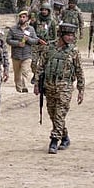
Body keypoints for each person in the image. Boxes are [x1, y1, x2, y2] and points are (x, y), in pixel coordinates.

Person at [33, 23, 85, 154]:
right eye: (68, 35)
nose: (71, 38)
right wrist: (36, 84)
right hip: (49, 86)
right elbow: (41, 67)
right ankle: (65, 136)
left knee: (60, 113)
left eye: (72, 35)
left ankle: (54, 141)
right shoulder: (49, 48)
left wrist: (81, 90)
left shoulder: (74, 51)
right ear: (61, 35)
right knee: (53, 114)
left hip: (65, 87)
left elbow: (79, 71)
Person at [6, 10, 44, 93]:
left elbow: (35, 40)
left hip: (27, 55)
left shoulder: (31, 29)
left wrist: (28, 39)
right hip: (16, 55)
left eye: (24, 17)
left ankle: (24, 87)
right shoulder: (13, 29)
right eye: (20, 17)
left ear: (27, 18)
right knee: (17, 74)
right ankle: (18, 89)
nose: (22, 18)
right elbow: (8, 40)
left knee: (25, 71)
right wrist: (18, 43)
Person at [30, 3, 58, 84]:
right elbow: (32, 31)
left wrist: (51, 44)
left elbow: (55, 37)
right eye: (42, 10)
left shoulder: (52, 22)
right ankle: (35, 74)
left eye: (46, 10)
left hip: (46, 45)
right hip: (36, 43)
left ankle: (41, 77)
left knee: (44, 63)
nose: (44, 11)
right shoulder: (36, 20)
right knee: (34, 62)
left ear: (49, 11)